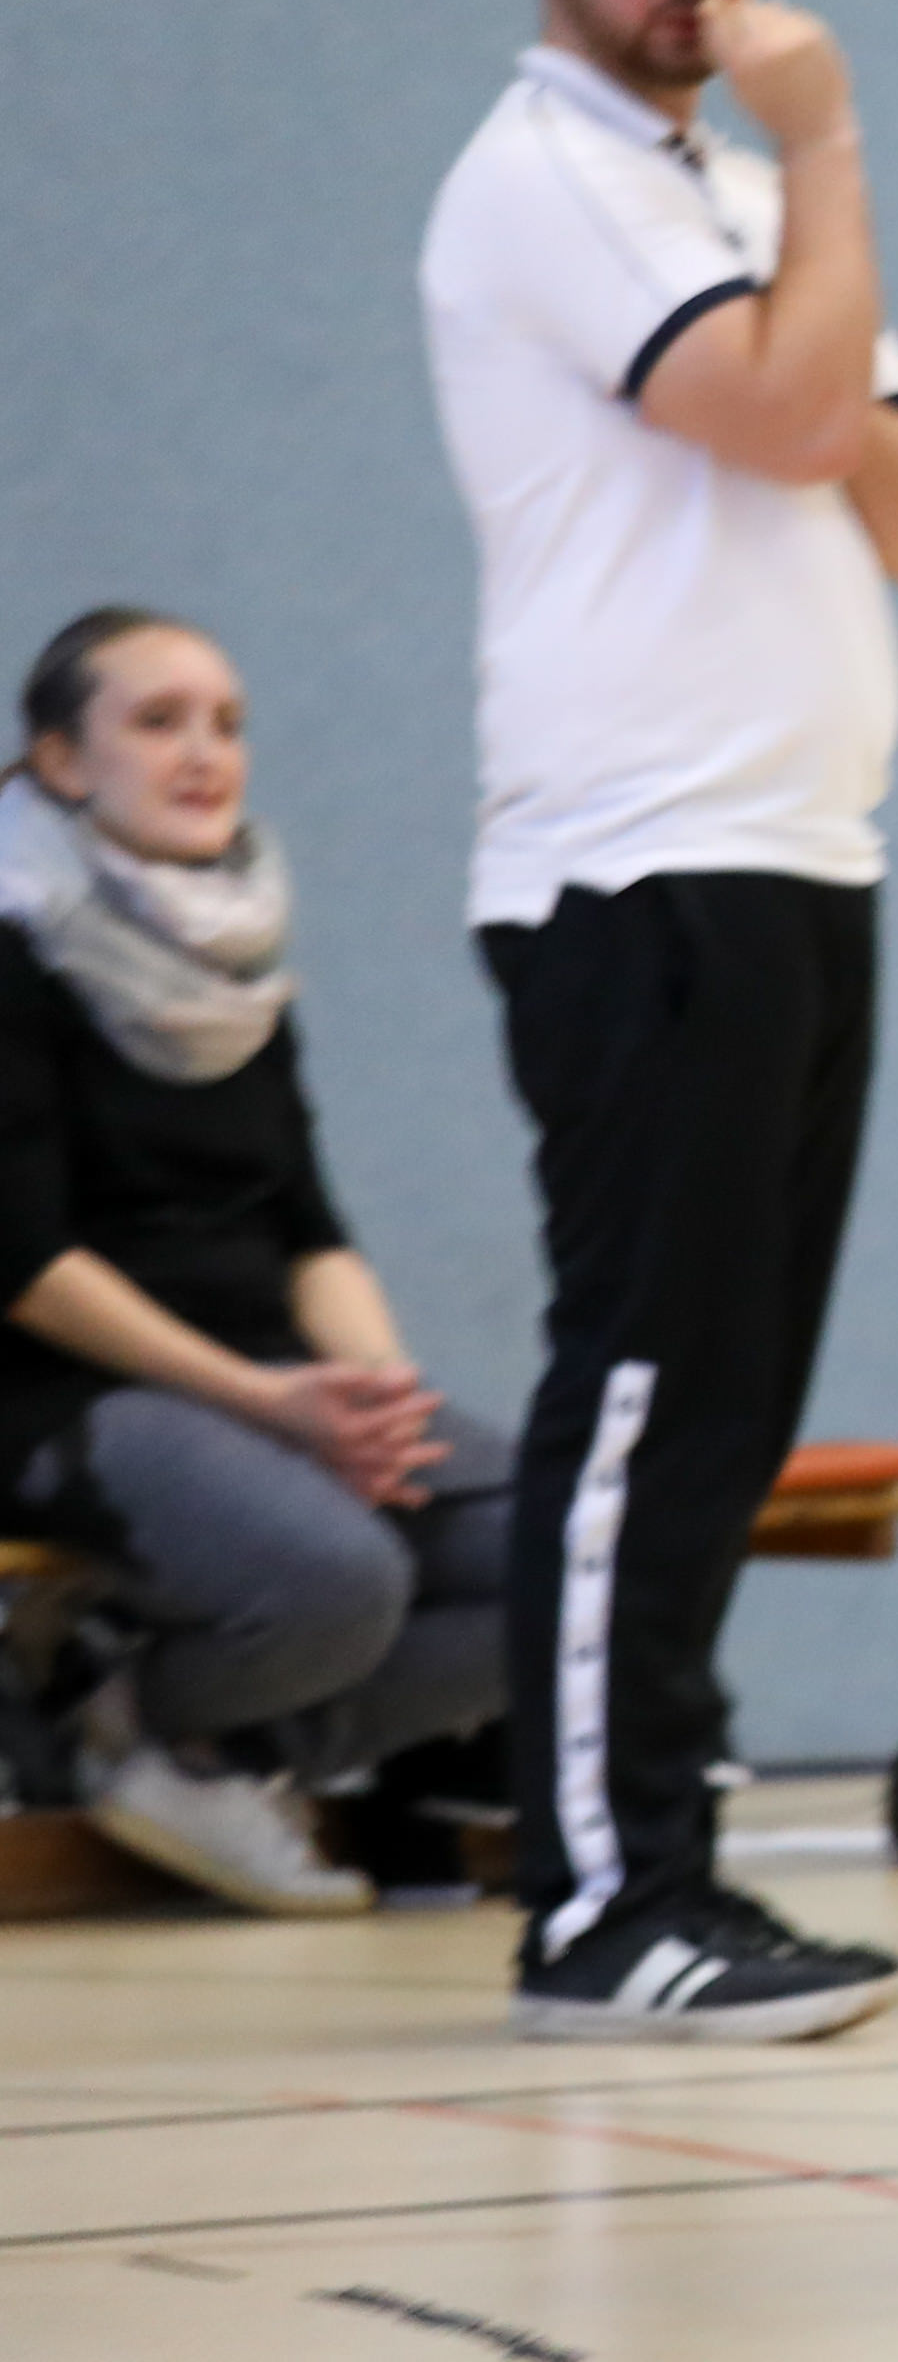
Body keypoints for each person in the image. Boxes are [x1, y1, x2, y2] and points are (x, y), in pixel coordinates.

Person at [417, 0, 898, 2040]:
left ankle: (676, 1865)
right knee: (644, 1389)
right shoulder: (543, 182)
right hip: (633, 869)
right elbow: (799, 425)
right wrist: (828, 161)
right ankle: (593, 1900)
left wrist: (803, 292)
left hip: (797, 858)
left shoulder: (738, 199)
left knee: (734, 1405)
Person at [2, 611, 516, 1912]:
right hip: (64, 1383)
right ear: (61, 760)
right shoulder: (13, 946)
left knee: (577, 1551)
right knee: (341, 1576)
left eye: (227, 724)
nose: (205, 753)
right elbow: (25, 1259)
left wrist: (378, 1398)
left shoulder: (229, 963)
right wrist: (262, 1401)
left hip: (264, 1373)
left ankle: (192, 1744)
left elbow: (310, 1233)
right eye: (158, 721)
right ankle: (156, 1720)